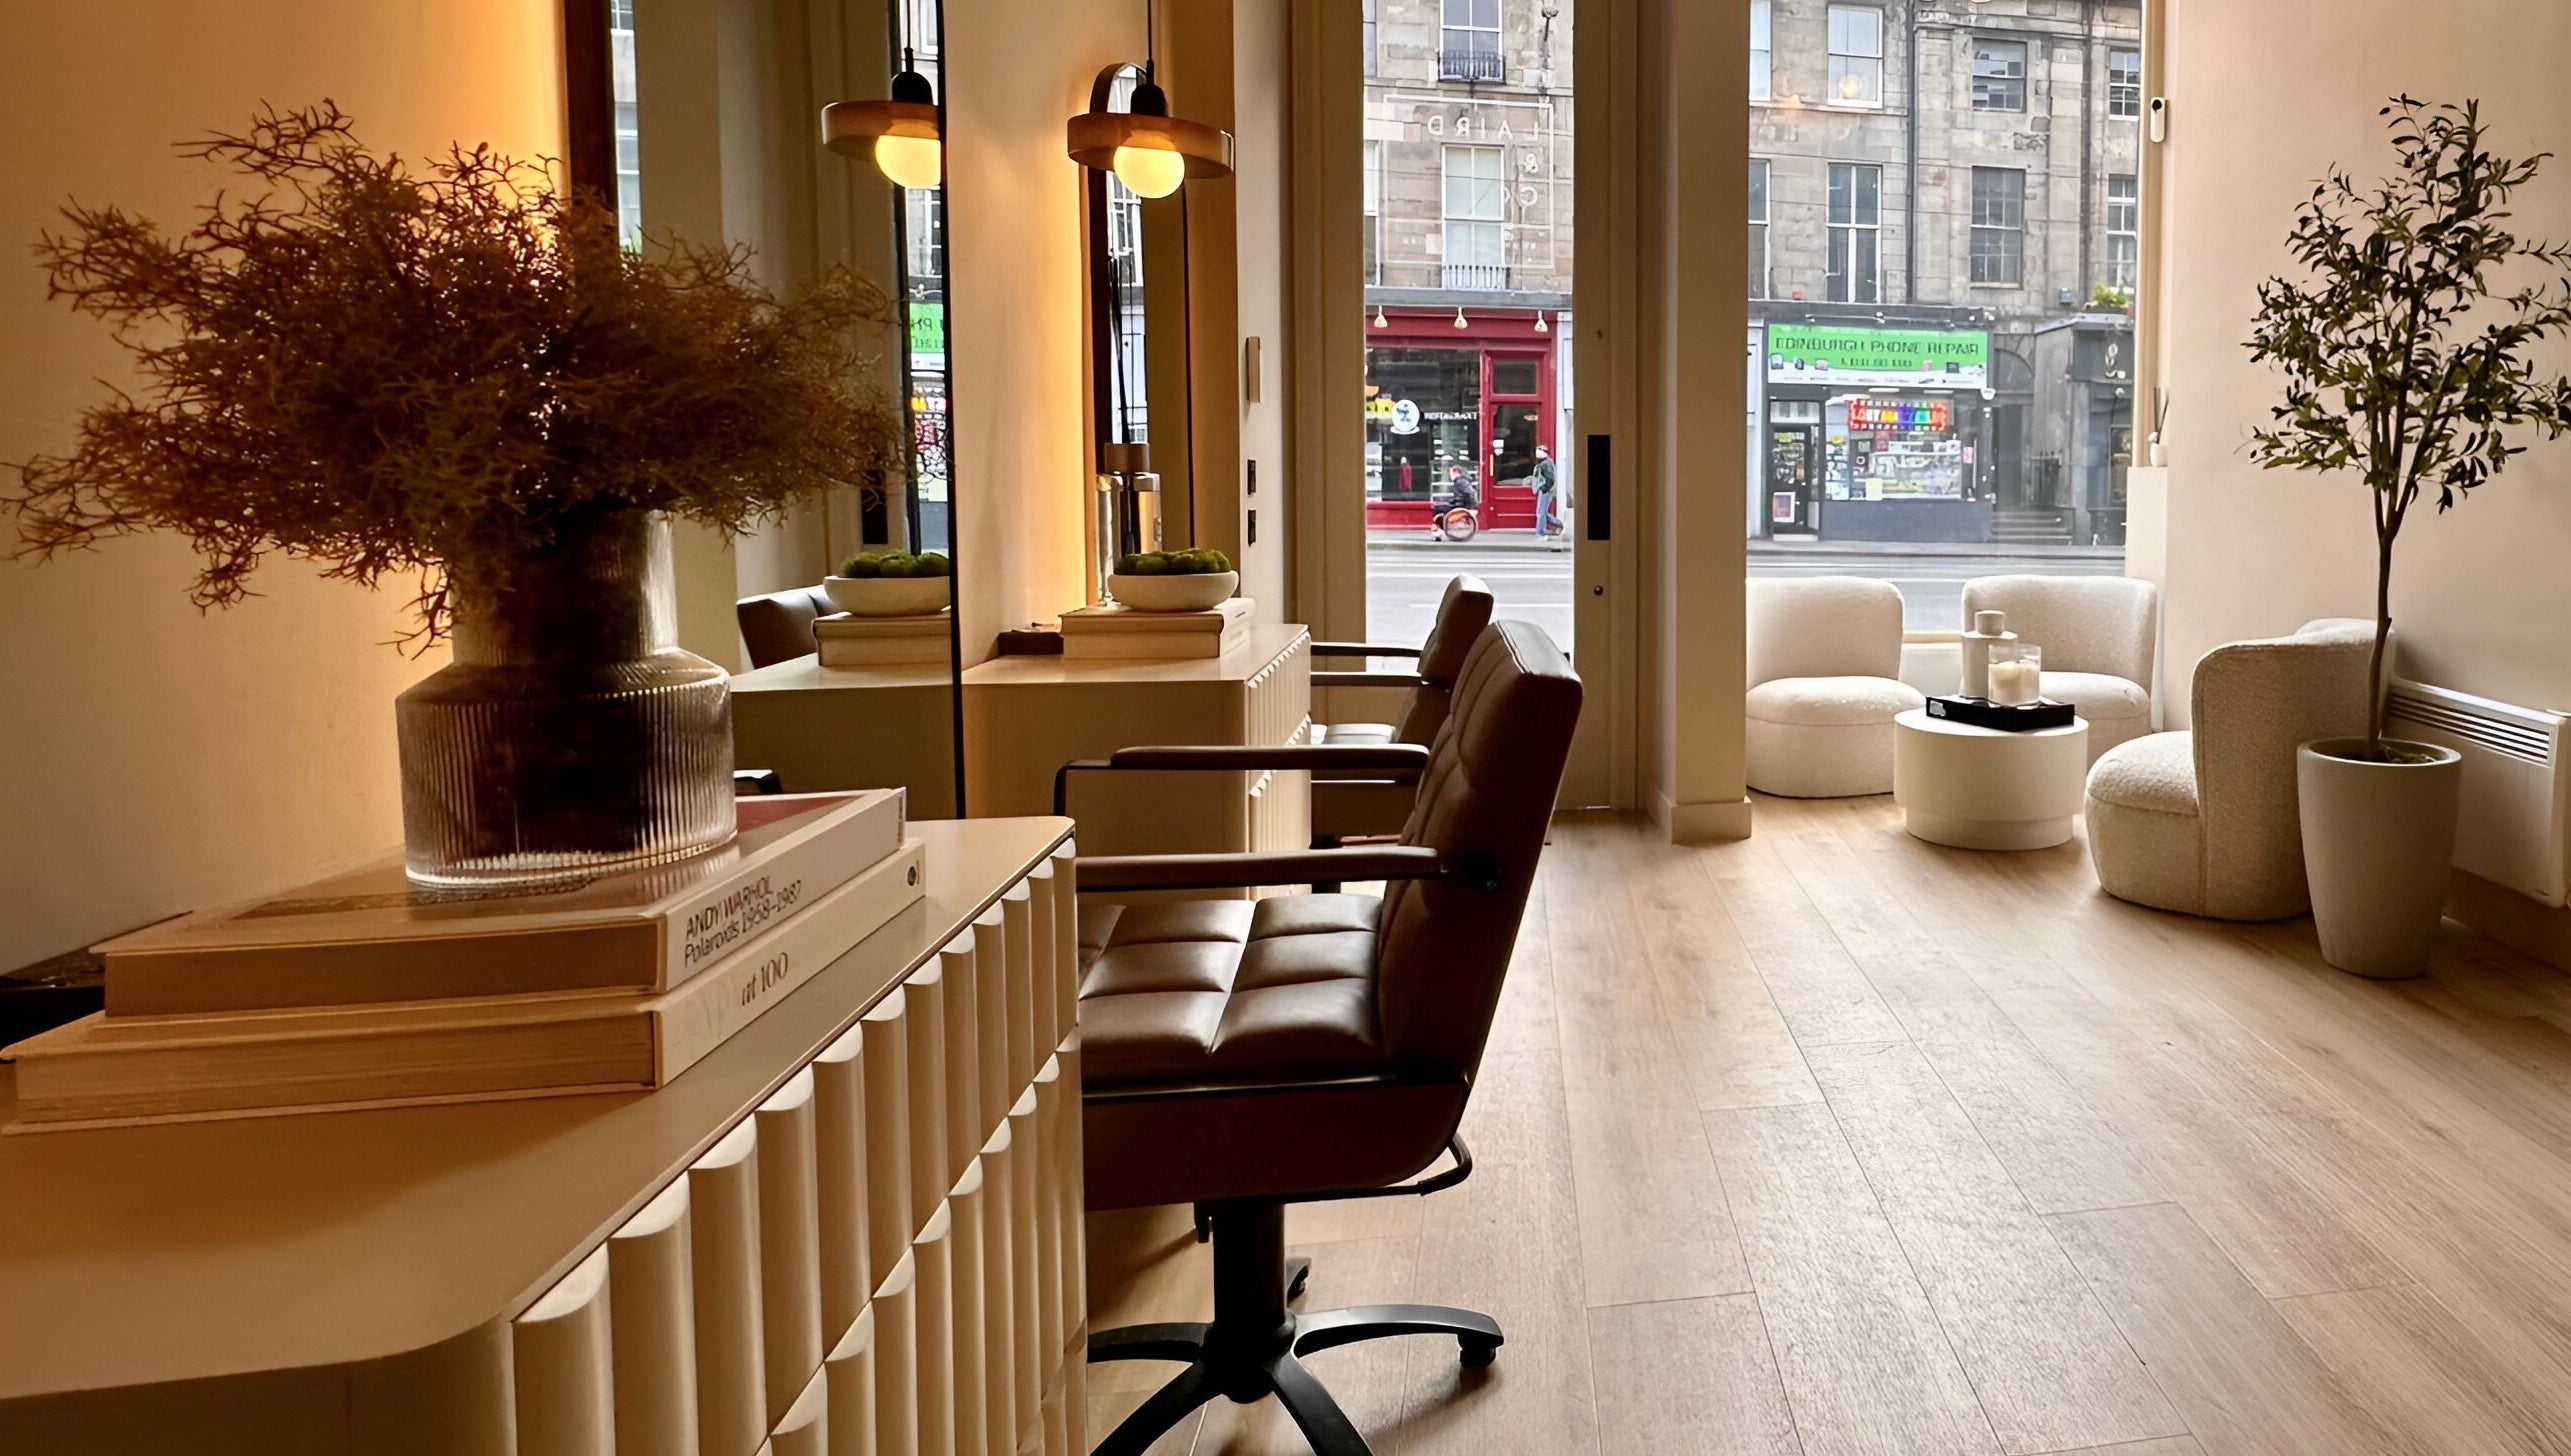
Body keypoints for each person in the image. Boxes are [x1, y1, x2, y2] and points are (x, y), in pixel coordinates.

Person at [1529, 444, 1560, 541]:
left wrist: (1544, 488)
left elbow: (1550, 479)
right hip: (1544, 490)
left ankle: (1541, 532)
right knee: (1542, 511)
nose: (1536, 454)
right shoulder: (1543, 463)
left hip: (1545, 490)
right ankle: (1559, 524)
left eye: (1538, 451)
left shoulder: (1546, 464)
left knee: (1541, 512)